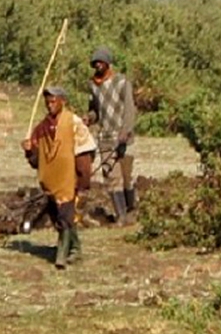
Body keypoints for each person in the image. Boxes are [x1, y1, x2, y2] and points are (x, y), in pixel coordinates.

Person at [22, 87, 81, 269]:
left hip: (69, 177)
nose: (50, 105)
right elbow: (36, 161)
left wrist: (83, 177)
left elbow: (86, 151)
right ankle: (76, 248)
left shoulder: (74, 122)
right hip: (51, 180)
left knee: (64, 215)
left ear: (62, 101)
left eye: (53, 101)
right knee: (59, 215)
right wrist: (29, 150)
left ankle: (61, 257)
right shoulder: (41, 128)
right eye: (47, 102)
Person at [85, 46, 136, 225]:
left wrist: (125, 131)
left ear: (108, 63)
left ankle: (131, 212)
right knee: (112, 178)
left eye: (101, 62)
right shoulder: (92, 85)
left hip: (123, 137)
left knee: (126, 177)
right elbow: (95, 111)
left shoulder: (122, 82)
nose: (98, 65)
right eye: (95, 63)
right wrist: (89, 118)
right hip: (105, 138)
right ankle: (120, 215)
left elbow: (130, 110)